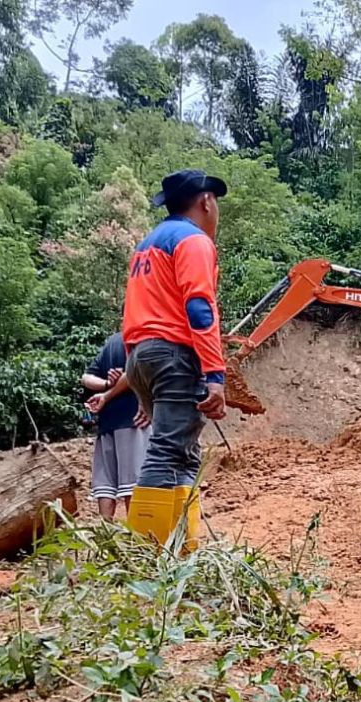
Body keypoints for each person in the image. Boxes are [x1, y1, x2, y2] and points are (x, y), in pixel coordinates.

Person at [122, 169, 229, 550]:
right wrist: (215, 373)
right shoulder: (194, 241)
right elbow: (200, 308)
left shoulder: (148, 245)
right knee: (168, 450)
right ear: (205, 201)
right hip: (174, 354)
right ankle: (145, 554)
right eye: (215, 201)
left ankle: (183, 548)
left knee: (184, 452)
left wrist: (141, 382)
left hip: (142, 356)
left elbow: (136, 312)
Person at [82, 332, 151, 521]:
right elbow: (133, 373)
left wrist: (106, 386)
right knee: (133, 482)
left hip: (107, 421)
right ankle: (136, 536)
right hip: (134, 418)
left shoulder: (112, 341)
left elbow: (86, 377)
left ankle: (106, 534)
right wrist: (109, 391)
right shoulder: (141, 337)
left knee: (105, 482)